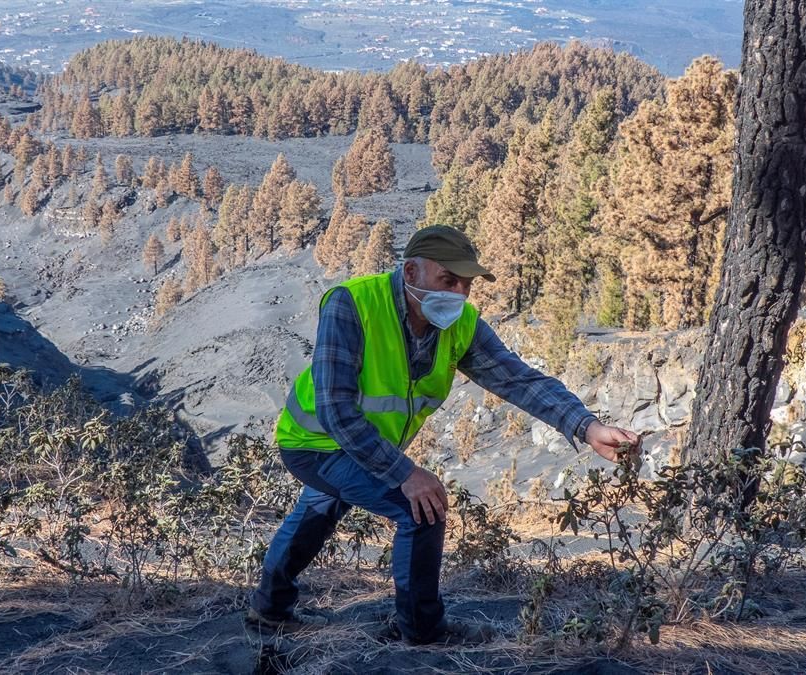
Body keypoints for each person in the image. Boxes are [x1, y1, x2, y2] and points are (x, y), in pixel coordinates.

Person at [248, 225, 642, 644]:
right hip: (313, 442)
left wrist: (588, 426)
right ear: (411, 272)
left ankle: (268, 613)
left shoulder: (460, 323)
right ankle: (423, 634)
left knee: (317, 512)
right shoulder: (353, 303)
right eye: (448, 280)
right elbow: (335, 409)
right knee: (422, 506)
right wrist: (405, 473)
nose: (458, 294)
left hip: (365, 447)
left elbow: (518, 380)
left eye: (466, 284)